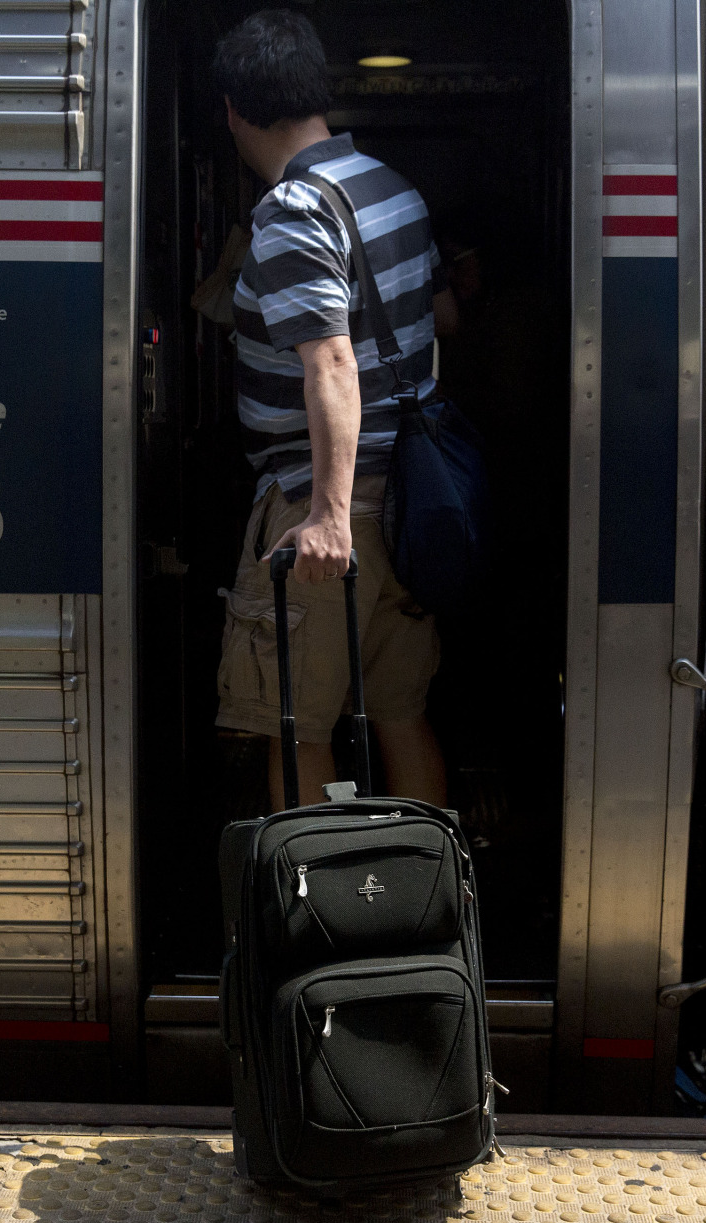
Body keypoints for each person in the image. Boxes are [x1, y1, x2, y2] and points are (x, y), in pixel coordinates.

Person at [209, 9, 459, 809]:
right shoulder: (395, 189)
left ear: (234, 110)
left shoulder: (292, 212)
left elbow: (332, 360)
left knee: (297, 727)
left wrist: (327, 514)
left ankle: (314, 926)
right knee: (401, 714)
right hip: (409, 506)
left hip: (332, 513)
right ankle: (425, 903)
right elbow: (441, 320)